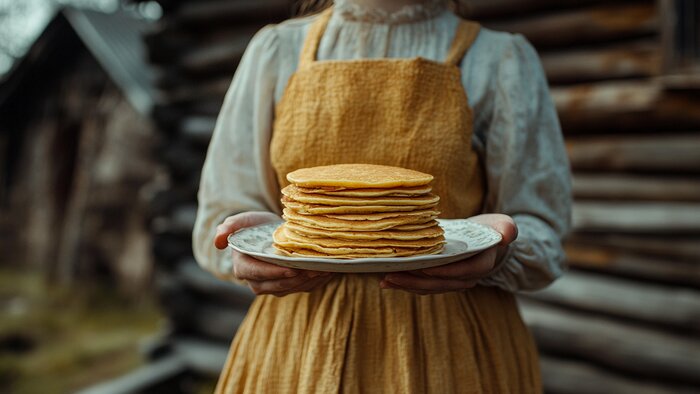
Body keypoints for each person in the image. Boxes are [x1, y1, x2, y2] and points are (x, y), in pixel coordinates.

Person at [193, 0, 571, 392]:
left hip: (451, 350)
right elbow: (220, 217)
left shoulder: (500, 59)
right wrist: (247, 242)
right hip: (300, 351)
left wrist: (499, 249)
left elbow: (542, 229)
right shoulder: (274, 51)